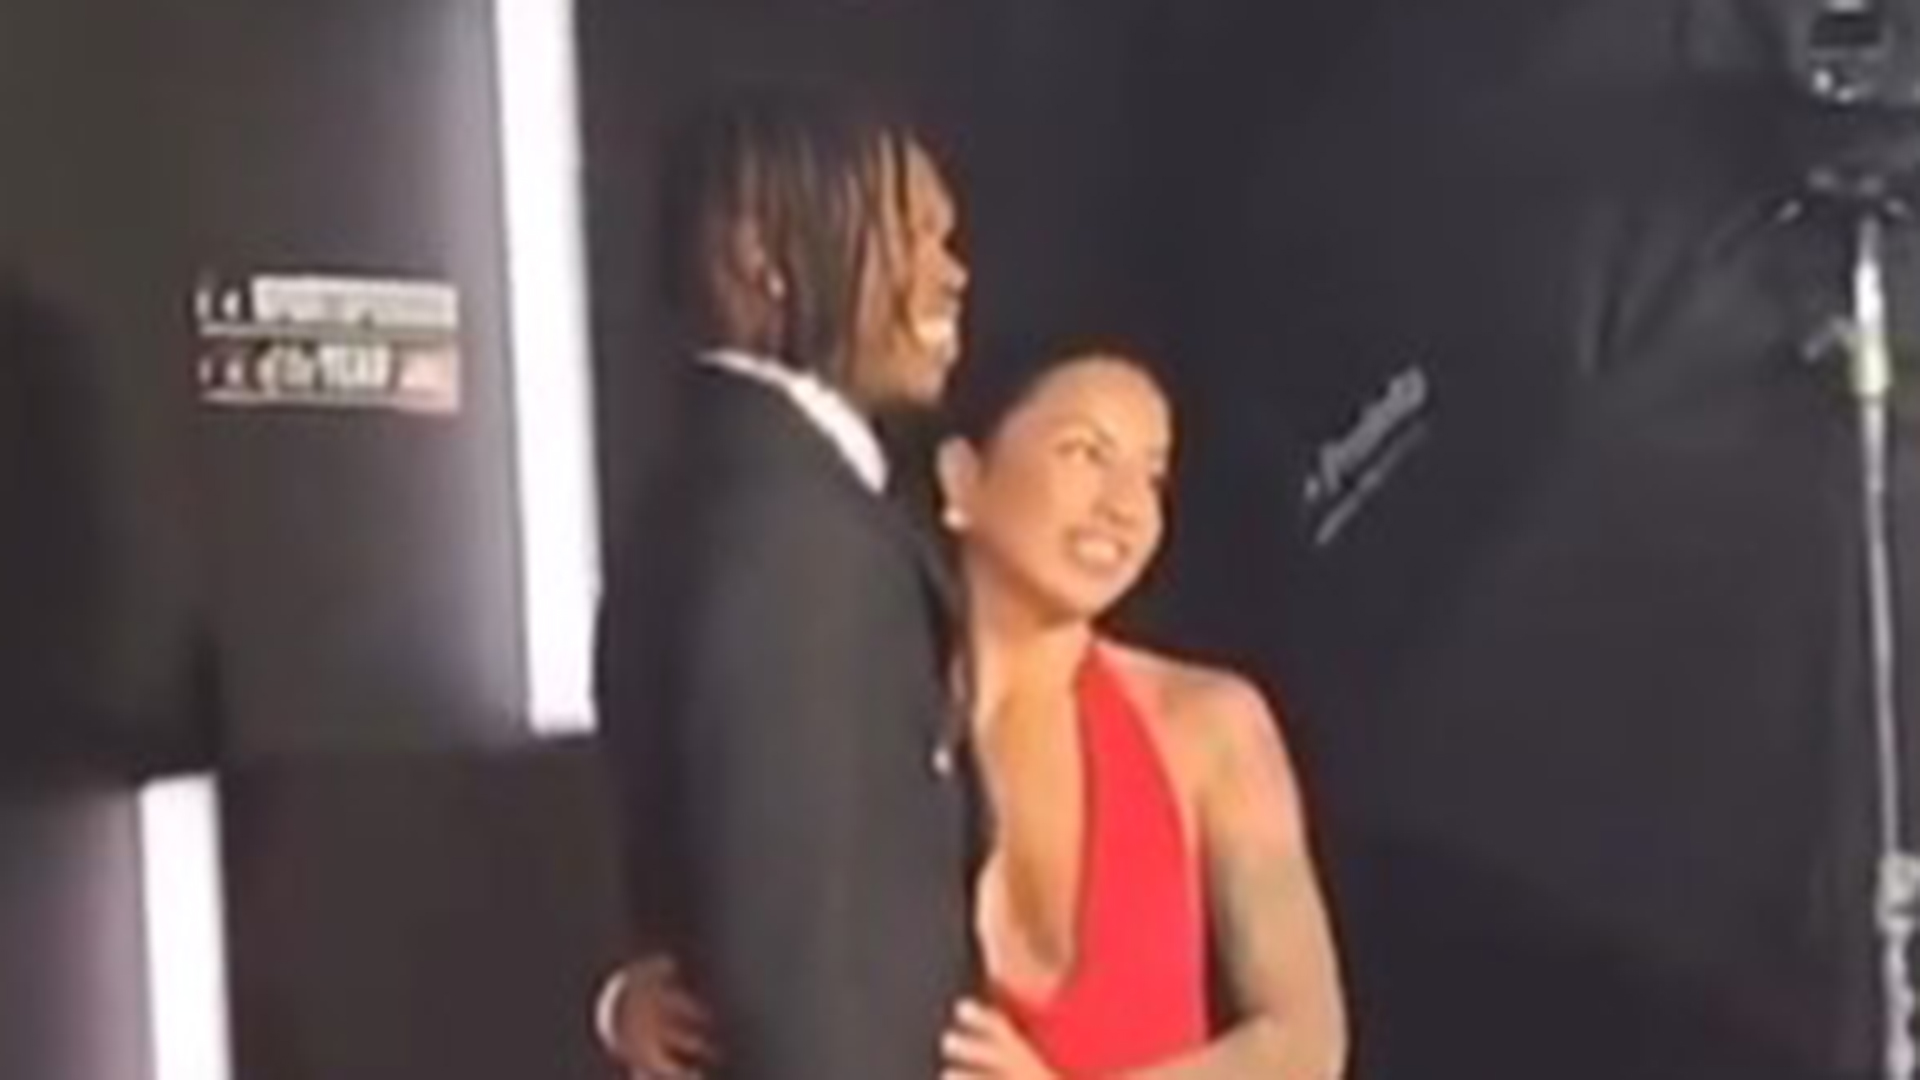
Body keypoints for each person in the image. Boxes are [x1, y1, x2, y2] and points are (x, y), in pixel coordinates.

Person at [608, 333, 1349, 1079]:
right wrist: (622, 1005)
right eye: (1084, 454)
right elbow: (761, 910)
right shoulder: (864, 717)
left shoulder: (1210, 726)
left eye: (1151, 475)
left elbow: (1305, 1044)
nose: (1125, 507)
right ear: (962, 479)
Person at [592, 81, 973, 1080]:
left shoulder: (748, 496)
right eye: (914, 235)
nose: (952, 274)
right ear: (758, 256)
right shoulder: (789, 534)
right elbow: (803, 962)